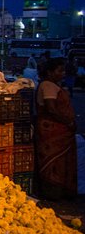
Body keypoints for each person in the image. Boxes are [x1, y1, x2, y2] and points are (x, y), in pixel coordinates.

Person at [35, 57, 78, 199]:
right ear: (50, 72)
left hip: (61, 130)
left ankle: (62, 192)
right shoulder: (47, 85)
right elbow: (51, 109)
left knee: (62, 162)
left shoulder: (54, 85)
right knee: (53, 162)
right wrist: (68, 122)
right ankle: (52, 193)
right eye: (60, 70)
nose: (63, 73)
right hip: (52, 130)